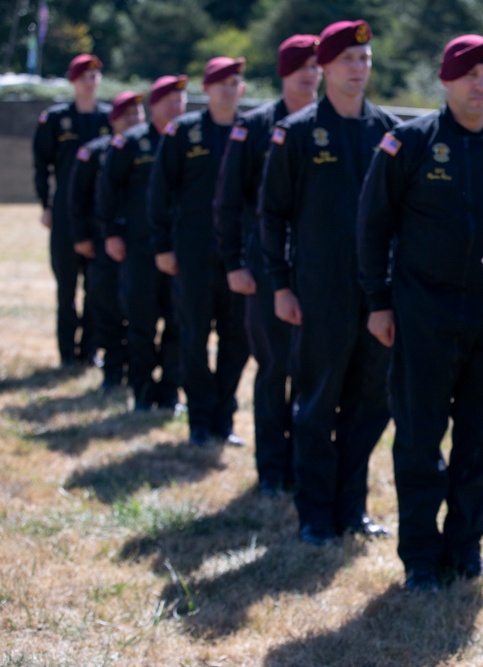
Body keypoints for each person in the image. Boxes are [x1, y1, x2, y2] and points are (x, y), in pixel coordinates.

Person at [357, 34, 483, 592]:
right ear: (447, 80)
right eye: (471, 77)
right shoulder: (407, 143)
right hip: (422, 314)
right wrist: (379, 302)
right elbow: (372, 228)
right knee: (419, 437)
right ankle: (420, 559)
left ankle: (464, 550)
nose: (482, 86)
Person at [259, 20, 400, 542]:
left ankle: (351, 506)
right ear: (324, 67)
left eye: (365, 60)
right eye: (348, 61)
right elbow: (272, 213)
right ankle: (315, 513)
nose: (358, 70)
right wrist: (279, 283)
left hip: (376, 294)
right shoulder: (295, 133)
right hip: (319, 291)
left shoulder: (388, 132)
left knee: (370, 403)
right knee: (318, 402)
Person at [214, 34, 321, 496]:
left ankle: (305, 463)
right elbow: (228, 201)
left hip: (319, 268)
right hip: (266, 266)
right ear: (284, 71)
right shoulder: (255, 127)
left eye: (317, 65)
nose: (311, 73)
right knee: (276, 367)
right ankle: (272, 470)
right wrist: (236, 263)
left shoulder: (332, 123)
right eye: (302, 65)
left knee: (314, 371)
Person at [148, 57, 250, 447]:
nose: (228, 88)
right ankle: (199, 419)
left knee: (236, 340)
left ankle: (224, 418)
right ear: (207, 89)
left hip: (238, 257)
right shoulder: (183, 133)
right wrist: (162, 246)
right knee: (192, 337)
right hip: (193, 253)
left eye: (235, 81)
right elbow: (159, 193)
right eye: (220, 82)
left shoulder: (251, 131)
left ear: (242, 88)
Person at [96, 75, 188, 412]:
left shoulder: (189, 141)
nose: (176, 108)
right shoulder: (131, 143)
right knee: (141, 324)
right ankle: (143, 391)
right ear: (154, 106)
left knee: (179, 324)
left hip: (180, 250)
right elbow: (108, 190)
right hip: (140, 249)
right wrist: (112, 233)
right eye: (169, 102)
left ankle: (170, 393)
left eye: (180, 101)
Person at [32, 54, 111, 368]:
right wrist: (46, 205)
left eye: (94, 77)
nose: (89, 83)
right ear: (73, 81)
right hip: (65, 211)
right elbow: (42, 165)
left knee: (96, 287)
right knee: (67, 287)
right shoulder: (54, 118)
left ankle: (90, 350)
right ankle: (67, 352)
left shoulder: (108, 118)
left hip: (99, 212)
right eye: (83, 77)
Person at [67, 91, 145, 392]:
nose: (135, 120)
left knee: (139, 311)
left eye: (138, 114)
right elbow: (78, 199)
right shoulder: (95, 152)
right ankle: (112, 370)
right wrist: (82, 237)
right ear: (113, 120)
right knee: (108, 308)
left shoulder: (153, 147)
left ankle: (136, 369)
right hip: (104, 245)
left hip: (139, 243)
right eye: (127, 115)